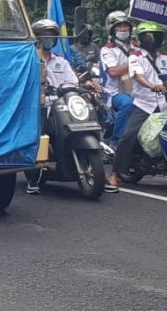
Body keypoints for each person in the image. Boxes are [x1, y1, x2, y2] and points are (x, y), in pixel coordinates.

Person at [111, 21, 167, 190]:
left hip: (166, 105)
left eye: (156, 36)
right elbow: (140, 77)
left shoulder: (166, 59)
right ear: (140, 39)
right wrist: (152, 86)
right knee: (128, 136)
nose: (152, 40)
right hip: (143, 105)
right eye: (148, 37)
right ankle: (115, 173)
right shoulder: (135, 57)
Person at [25, 19, 86, 194]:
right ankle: (33, 179)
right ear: (37, 38)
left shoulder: (61, 62)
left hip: (61, 105)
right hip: (39, 106)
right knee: (39, 138)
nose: (49, 39)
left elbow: (72, 81)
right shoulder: (30, 60)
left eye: (52, 36)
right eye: (45, 35)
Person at [99, 11, 135, 145]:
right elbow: (113, 72)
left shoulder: (136, 47)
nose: (123, 29)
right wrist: (133, 61)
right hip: (114, 93)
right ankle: (117, 141)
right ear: (112, 29)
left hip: (138, 89)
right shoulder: (108, 50)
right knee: (128, 104)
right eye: (119, 26)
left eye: (126, 26)